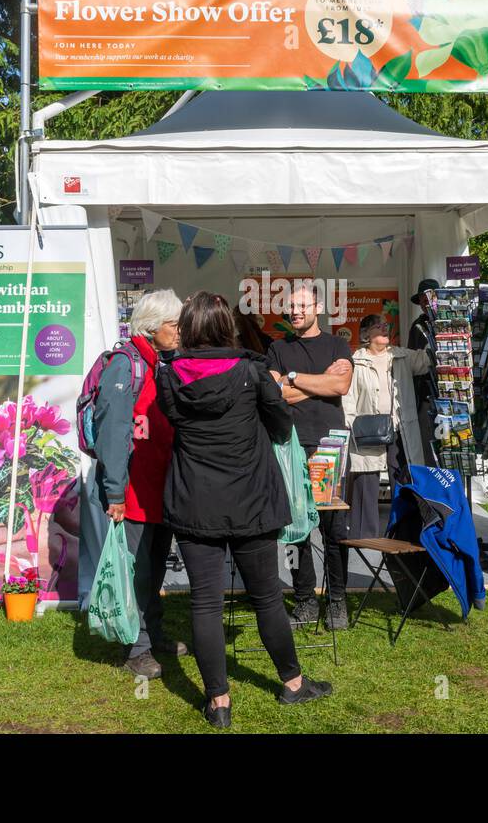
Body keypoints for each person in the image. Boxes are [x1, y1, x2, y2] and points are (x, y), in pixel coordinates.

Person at [156, 290, 332, 728]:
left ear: (190, 330)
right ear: (226, 327)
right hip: (251, 497)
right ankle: (292, 684)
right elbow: (280, 425)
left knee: (205, 603)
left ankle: (219, 702)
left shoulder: (169, 376)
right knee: (267, 595)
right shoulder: (253, 372)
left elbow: (176, 420)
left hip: (195, 498)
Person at [91, 289, 189, 680]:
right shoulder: (125, 364)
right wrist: (114, 491)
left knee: (154, 567)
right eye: (174, 324)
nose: (180, 331)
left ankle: (153, 632)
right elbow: (112, 432)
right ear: (151, 328)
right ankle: (137, 648)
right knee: (136, 571)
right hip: (132, 492)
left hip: (159, 489)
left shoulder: (160, 362)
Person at [266, 282, 354, 629]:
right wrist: (315, 383)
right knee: (297, 528)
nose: (296, 311)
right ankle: (305, 601)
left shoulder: (337, 344)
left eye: (303, 305)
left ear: (318, 307)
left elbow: (340, 386)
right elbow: (276, 396)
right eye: (291, 306)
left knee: (333, 530)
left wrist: (293, 380)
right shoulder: (277, 348)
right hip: (290, 447)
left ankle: (336, 601)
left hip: (330, 445)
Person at [342, 314, 431, 545]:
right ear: (365, 335)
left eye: (385, 325)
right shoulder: (355, 360)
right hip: (367, 430)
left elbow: (426, 360)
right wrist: (351, 422)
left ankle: (405, 533)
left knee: (401, 479)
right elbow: (348, 396)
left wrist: (439, 333)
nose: (384, 328)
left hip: (399, 428)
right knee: (365, 481)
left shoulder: (401, 355)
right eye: (377, 325)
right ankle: (363, 536)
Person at [406, 278, 441, 467]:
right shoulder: (417, 326)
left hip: (449, 394)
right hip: (426, 394)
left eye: (430, 297)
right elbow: (412, 360)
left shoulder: (451, 320)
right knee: (427, 441)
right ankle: (431, 484)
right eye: (422, 299)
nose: (426, 303)